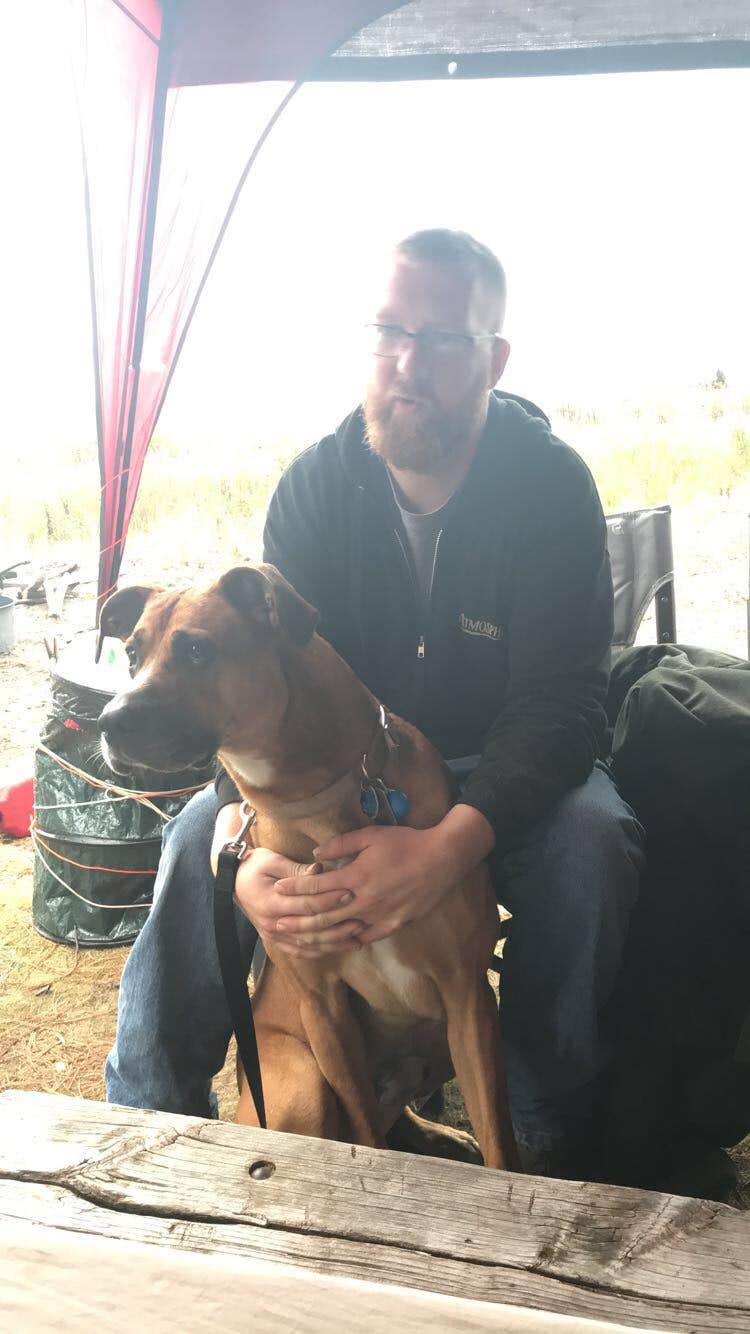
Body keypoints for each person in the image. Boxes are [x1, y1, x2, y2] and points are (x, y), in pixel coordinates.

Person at [105, 228, 644, 1178]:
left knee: (594, 839)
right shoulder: (315, 489)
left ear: (495, 359)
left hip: (496, 769)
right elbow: (267, 694)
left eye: (441, 340)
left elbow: (565, 708)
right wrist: (243, 848)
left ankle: (546, 1142)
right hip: (345, 773)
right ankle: (147, 1128)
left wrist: (445, 847)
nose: (407, 365)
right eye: (389, 333)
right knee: (192, 840)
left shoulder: (550, 487)